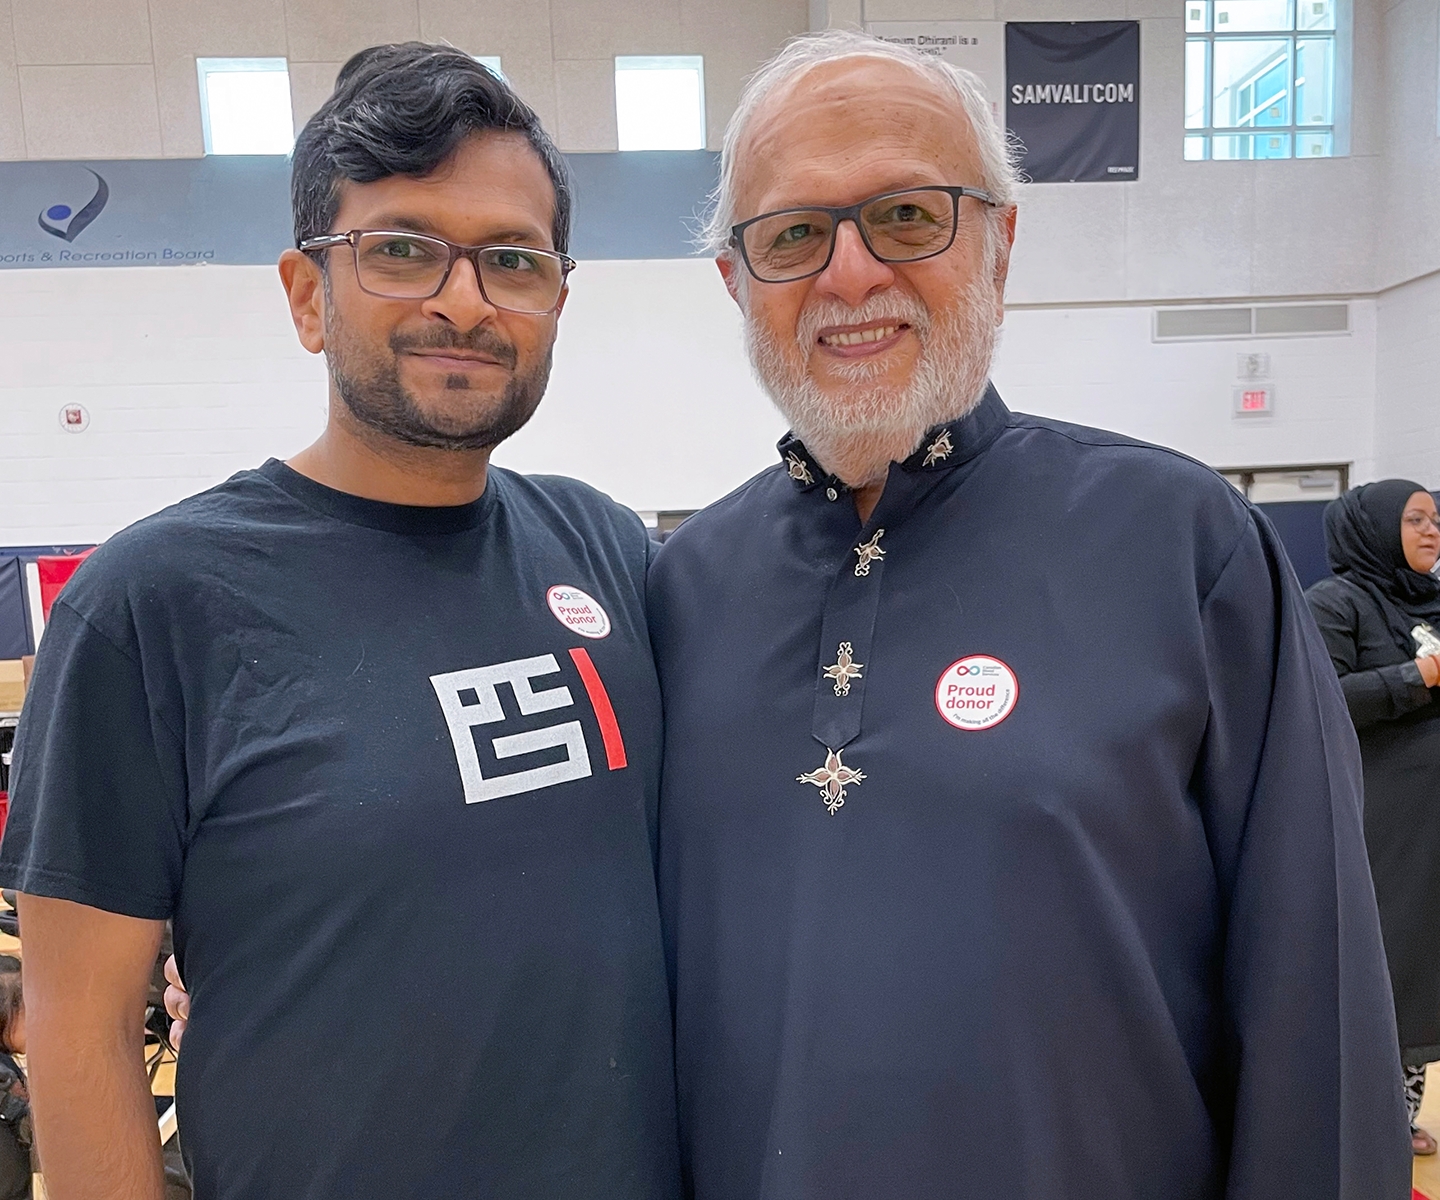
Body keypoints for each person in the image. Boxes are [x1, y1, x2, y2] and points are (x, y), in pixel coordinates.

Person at [646, 31, 1411, 1198]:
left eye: (908, 215)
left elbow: (1320, 1009)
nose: (849, 274)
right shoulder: (683, 589)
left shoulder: (1183, 545)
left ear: (1000, 244)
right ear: (735, 282)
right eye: (794, 233)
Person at [0, 44, 678, 1200]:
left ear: (556, 299)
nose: (464, 299)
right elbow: (80, 1028)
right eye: (404, 249)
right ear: (309, 293)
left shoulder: (609, 550)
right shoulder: (152, 603)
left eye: (511, 260)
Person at [1306, 481, 1440, 1157]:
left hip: (1434, 819)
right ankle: (1370, 1112)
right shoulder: (1337, 604)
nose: (1431, 530)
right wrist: (1416, 677)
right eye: (1415, 519)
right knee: (1386, 962)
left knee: (1425, 969)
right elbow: (1318, 696)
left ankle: (1403, 1109)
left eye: (1435, 519)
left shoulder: (1436, 602)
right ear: (1378, 529)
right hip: (1380, 820)